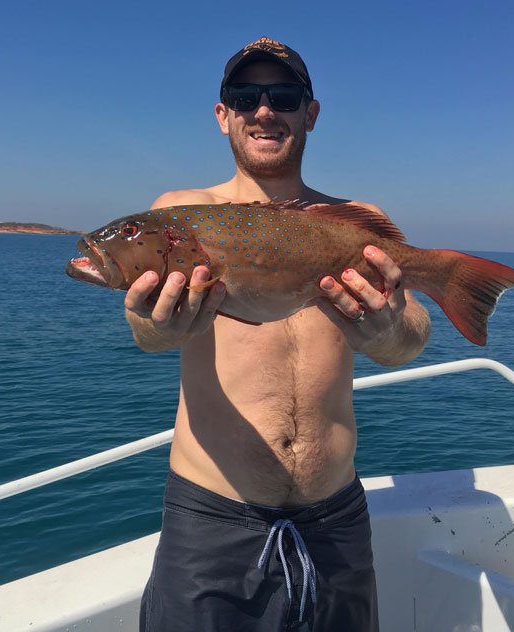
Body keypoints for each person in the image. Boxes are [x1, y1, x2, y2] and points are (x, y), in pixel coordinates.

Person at [126, 37, 431, 632]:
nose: (263, 110)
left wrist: (389, 328)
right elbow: (147, 332)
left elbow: (410, 340)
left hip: (337, 522)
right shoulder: (180, 212)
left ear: (310, 113)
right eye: (244, 96)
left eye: (283, 95)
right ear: (223, 116)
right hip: (212, 522)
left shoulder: (351, 221)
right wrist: (153, 322)